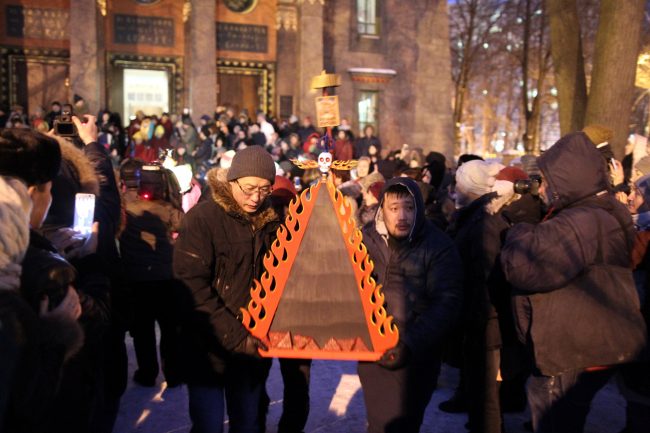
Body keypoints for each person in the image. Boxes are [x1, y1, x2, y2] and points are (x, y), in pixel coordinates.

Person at [500, 131, 647, 433]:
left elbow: (524, 268)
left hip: (570, 345)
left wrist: (520, 228)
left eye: (547, 179)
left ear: (568, 177)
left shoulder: (582, 221)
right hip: (591, 337)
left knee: (555, 419)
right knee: (569, 415)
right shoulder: (604, 211)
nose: (541, 188)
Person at [173, 146, 280, 433]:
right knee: (209, 425)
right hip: (206, 346)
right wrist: (237, 336)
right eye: (248, 188)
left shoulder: (271, 222)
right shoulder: (203, 218)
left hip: (250, 348)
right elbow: (190, 285)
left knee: (247, 423)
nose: (256, 197)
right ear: (232, 181)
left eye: (264, 189)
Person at [358, 177, 463, 433]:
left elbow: (447, 303)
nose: (402, 215)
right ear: (382, 209)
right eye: (394, 208)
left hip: (417, 354)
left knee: (404, 424)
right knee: (380, 423)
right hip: (373, 353)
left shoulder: (438, 246)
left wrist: (410, 344)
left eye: (409, 207)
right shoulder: (366, 240)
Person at [119, 159, 185, 387]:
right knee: (169, 330)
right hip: (166, 277)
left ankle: (147, 374)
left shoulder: (126, 205)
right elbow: (182, 226)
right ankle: (174, 373)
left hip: (136, 279)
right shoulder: (169, 207)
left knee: (143, 330)